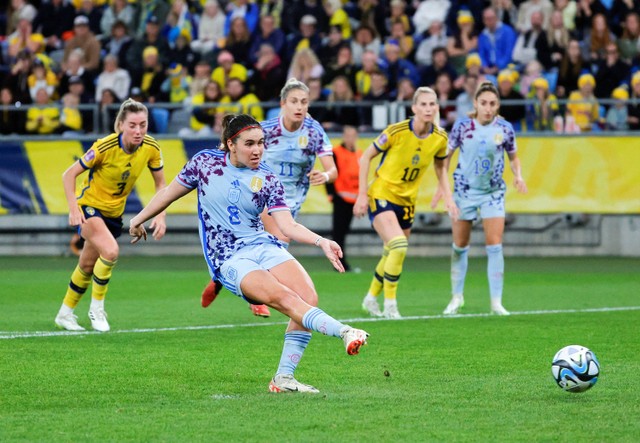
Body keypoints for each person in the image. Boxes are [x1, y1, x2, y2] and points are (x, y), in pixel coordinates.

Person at [129, 114, 368, 394]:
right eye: (250, 144)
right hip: (229, 257)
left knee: (308, 296)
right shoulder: (205, 163)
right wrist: (138, 219)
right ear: (231, 144)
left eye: (261, 143)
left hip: (262, 246)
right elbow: (169, 193)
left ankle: (283, 379)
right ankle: (344, 331)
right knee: (284, 298)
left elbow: (287, 225)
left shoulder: (267, 177)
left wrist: (321, 242)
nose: (258, 150)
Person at [201, 78, 338, 318]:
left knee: (277, 245)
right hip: (261, 196)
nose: (299, 107)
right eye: (294, 101)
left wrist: (324, 176)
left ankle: (221, 279)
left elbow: (333, 170)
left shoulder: (314, 132)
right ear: (283, 104)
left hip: (291, 202)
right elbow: (234, 143)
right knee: (276, 241)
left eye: (304, 102)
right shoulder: (267, 130)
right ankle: (256, 296)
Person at [54, 99, 167, 332]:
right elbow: (68, 175)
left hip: (114, 214)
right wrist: (73, 208)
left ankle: (64, 314)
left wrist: (160, 215)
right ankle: (97, 310)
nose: (138, 131)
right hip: (89, 207)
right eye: (133, 125)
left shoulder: (151, 148)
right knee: (111, 251)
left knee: (86, 264)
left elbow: (161, 185)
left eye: (143, 125)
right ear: (121, 125)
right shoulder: (105, 147)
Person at [354, 86, 458, 319]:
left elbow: (441, 167)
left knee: (392, 251)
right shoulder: (396, 131)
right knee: (399, 245)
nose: (428, 108)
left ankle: (371, 298)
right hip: (382, 193)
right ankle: (390, 305)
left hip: (407, 201)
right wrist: (362, 194)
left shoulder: (440, 138)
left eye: (432, 104)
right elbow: (366, 157)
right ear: (414, 108)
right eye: (423, 104)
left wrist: (447, 196)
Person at [437, 81, 527, 316]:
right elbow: (444, 158)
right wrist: (443, 188)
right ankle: (456, 297)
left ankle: (496, 302)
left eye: (493, 104)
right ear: (475, 103)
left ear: (498, 106)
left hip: (493, 193)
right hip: (464, 193)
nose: (488, 108)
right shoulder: (462, 127)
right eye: (484, 103)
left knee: (494, 245)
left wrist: (518, 175)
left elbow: (514, 157)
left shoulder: (505, 129)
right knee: (459, 247)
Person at [326, 126, 361, 272]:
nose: (350, 138)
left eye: (353, 135)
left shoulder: (360, 154)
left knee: (344, 231)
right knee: (338, 232)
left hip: (353, 199)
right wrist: (331, 193)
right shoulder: (336, 152)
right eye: (348, 135)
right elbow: (330, 173)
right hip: (340, 197)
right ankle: (340, 263)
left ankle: (341, 262)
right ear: (343, 136)